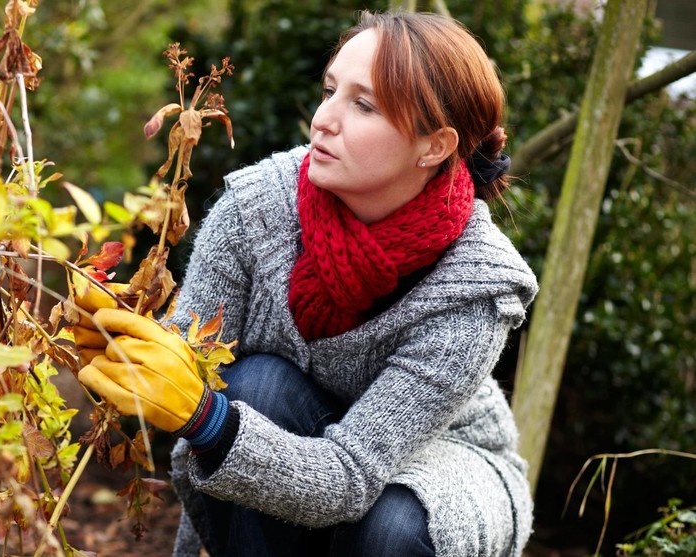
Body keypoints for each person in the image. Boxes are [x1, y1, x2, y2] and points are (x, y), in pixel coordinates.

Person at [73, 9, 538, 557]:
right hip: (295, 437)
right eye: (330, 90)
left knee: (393, 525)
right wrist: (122, 347)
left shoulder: (474, 289)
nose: (324, 119)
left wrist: (209, 418)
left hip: (441, 461)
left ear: (434, 146)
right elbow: (188, 368)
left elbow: (348, 476)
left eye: (362, 105)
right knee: (257, 384)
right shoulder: (256, 209)